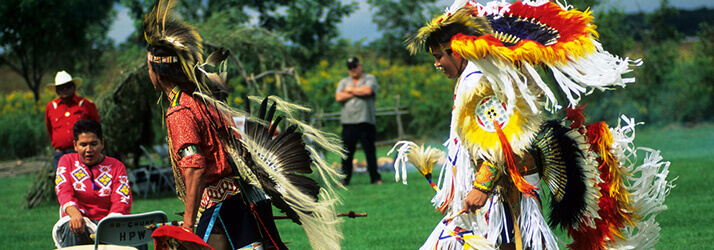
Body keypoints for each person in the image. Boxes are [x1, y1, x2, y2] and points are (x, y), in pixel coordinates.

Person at [396, 1, 672, 249]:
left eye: (438, 56)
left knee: (516, 242)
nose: (436, 64)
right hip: (507, 182)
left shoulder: (479, 79)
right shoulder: (475, 76)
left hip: (510, 181)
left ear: (455, 50)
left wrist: (481, 187)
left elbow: (500, 138)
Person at [144, 1, 344, 249]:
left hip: (218, 205)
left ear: (157, 72)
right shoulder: (201, 100)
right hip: (239, 197)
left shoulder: (180, 111)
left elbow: (194, 166)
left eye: (149, 68)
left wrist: (187, 224)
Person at [53, 120, 132, 248]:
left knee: (137, 231)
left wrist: (108, 224)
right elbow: (63, 191)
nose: (89, 150)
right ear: (75, 145)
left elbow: (122, 200)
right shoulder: (66, 161)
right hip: (78, 219)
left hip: (110, 223)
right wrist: (74, 214)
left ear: (102, 143)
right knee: (73, 227)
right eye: (83, 144)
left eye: (94, 144)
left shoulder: (117, 166)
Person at [335, 56, 382, 185]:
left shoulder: (369, 78)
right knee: (346, 153)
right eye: (350, 68)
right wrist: (356, 92)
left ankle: (375, 177)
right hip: (348, 122)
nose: (352, 69)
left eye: (354, 66)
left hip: (365, 121)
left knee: (370, 151)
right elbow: (339, 96)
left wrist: (350, 91)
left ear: (359, 66)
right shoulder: (344, 81)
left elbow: (367, 90)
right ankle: (345, 179)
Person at [45, 70, 100, 170]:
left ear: (74, 87)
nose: (65, 89)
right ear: (57, 91)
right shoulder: (51, 107)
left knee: (85, 183)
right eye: (61, 88)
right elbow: (49, 129)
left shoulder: (85, 104)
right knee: (63, 184)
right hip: (60, 154)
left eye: (68, 86)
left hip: (82, 153)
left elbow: (96, 127)